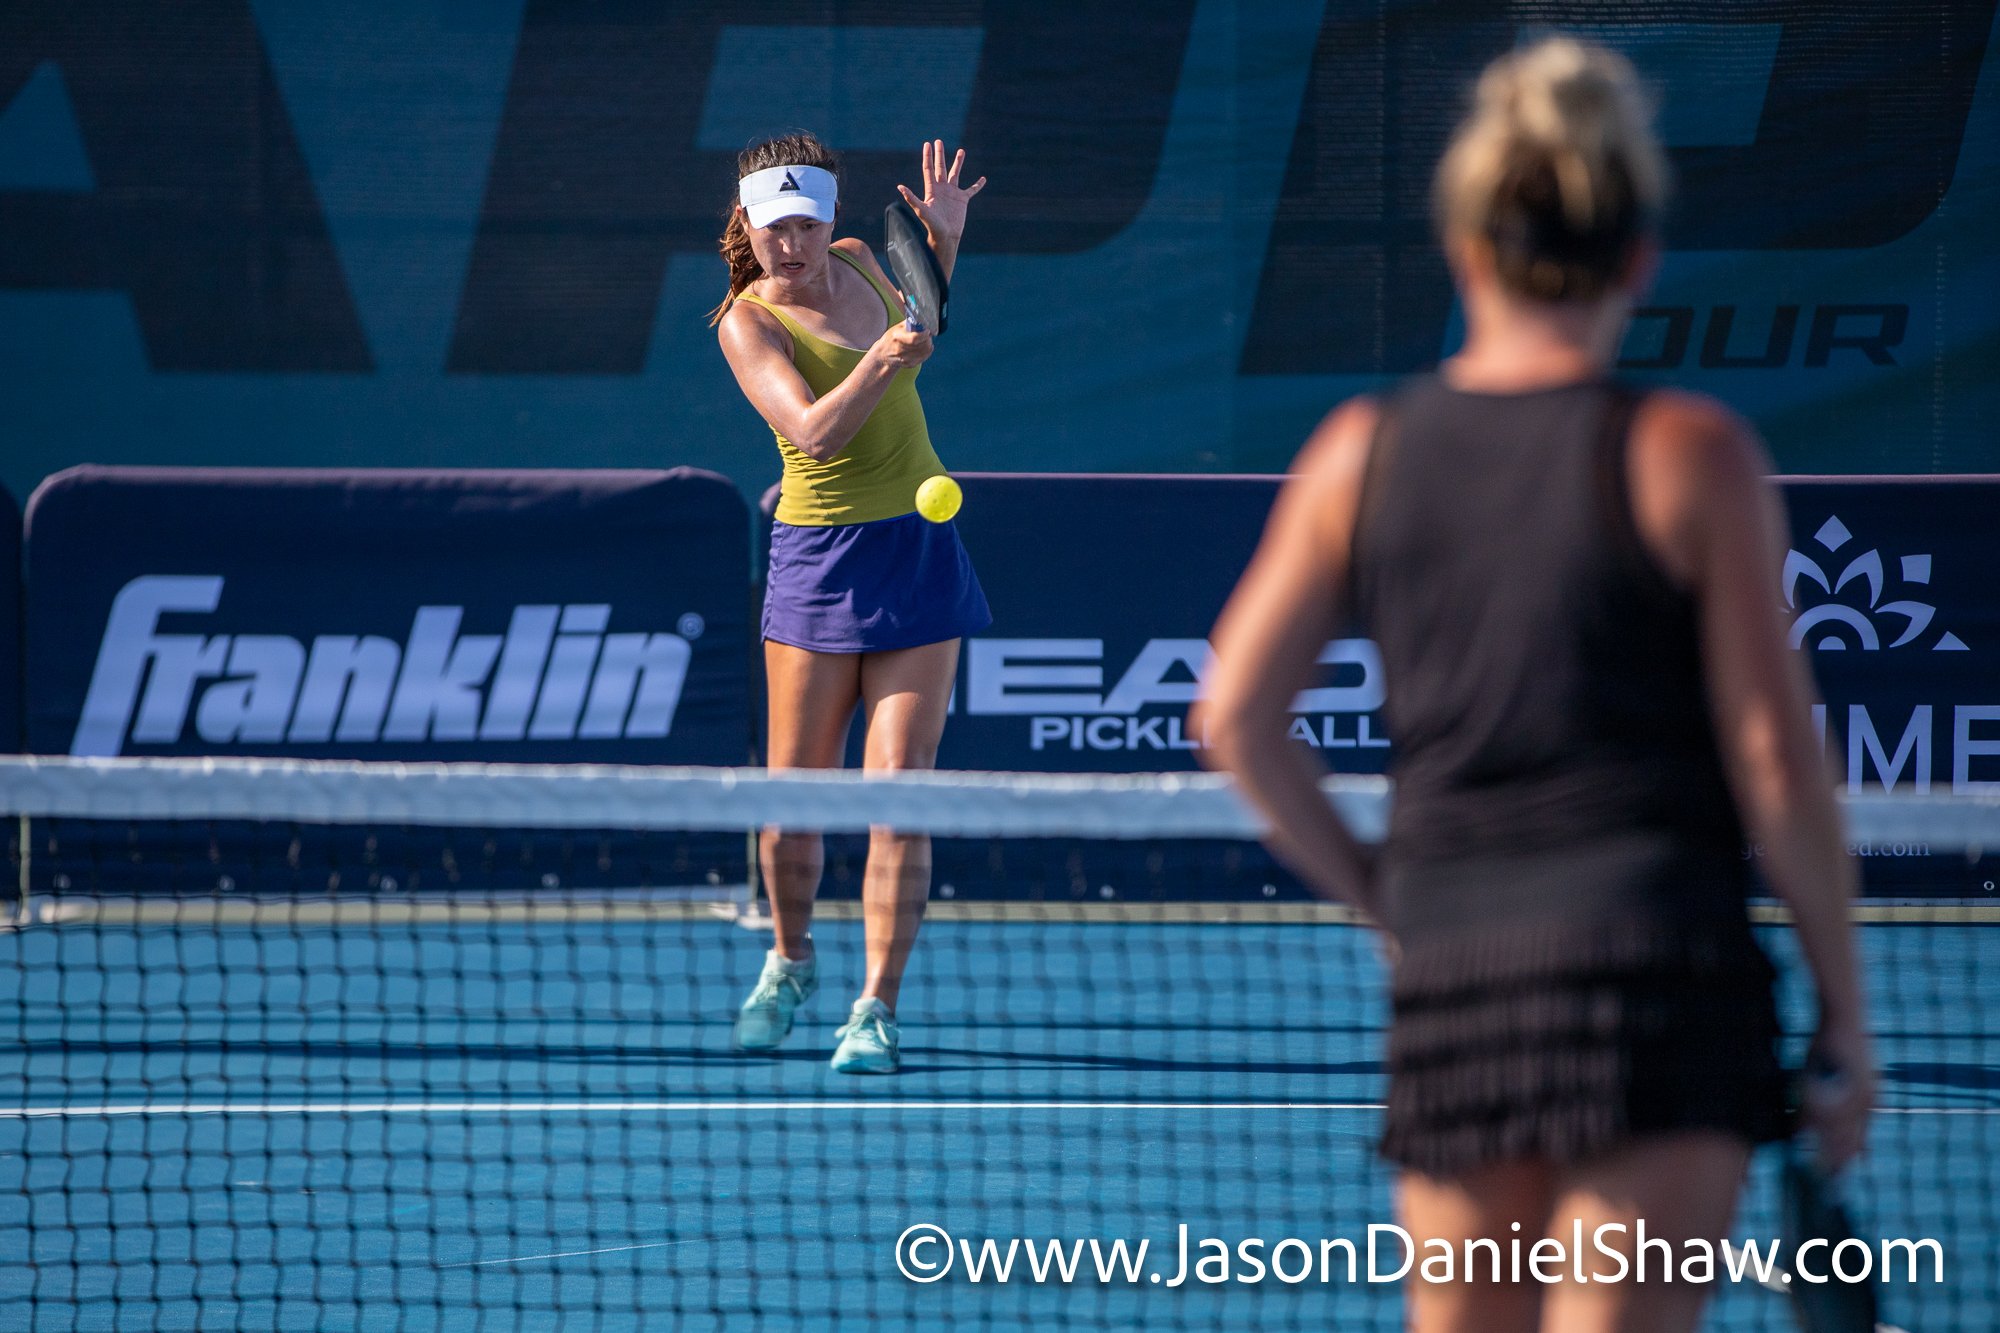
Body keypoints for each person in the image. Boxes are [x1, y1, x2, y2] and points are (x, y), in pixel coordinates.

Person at [1196, 37, 1872, 1332]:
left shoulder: (1356, 455)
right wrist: (1845, 1013)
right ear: (1638, 260)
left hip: (1458, 984)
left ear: (1464, 251)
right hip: (1659, 977)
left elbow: (1232, 717)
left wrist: (1385, 894)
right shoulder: (1695, 455)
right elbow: (1776, 761)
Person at [711, 133, 990, 1074]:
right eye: (773, 227)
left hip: (918, 552)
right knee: (794, 806)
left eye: (806, 224)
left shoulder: (868, 260)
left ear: (831, 219)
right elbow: (814, 434)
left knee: (899, 794)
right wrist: (882, 358)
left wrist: (944, 240)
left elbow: (923, 317)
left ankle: (876, 1005)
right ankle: (790, 959)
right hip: (819, 563)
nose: (790, 244)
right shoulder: (746, 324)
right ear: (746, 225)